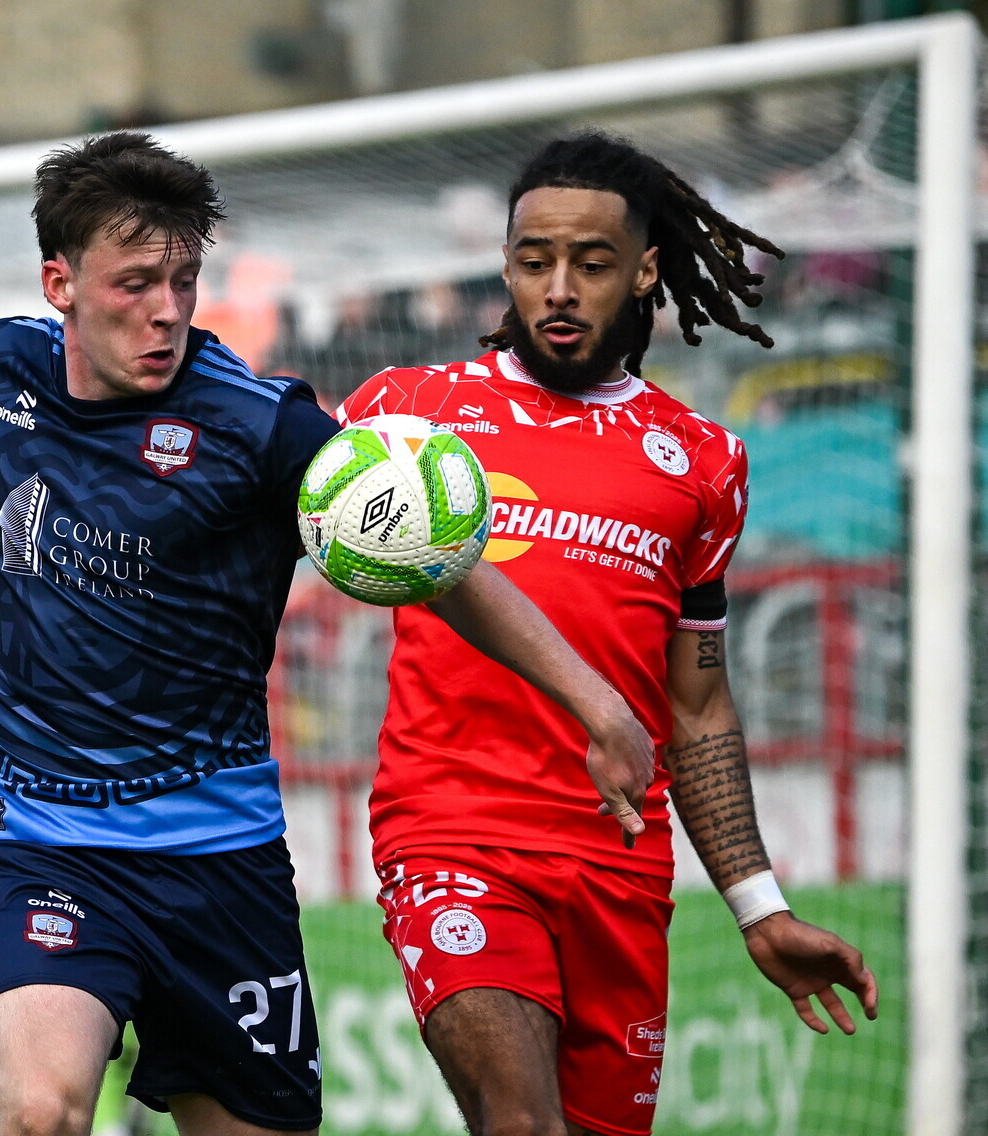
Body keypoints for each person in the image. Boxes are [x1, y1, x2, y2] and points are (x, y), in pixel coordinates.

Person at [0, 131, 656, 1136]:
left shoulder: (263, 424)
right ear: (60, 283)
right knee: (39, 1111)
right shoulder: (1, 366)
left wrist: (596, 703)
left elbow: (440, 564)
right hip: (38, 833)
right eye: (134, 284)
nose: (165, 311)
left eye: (183, 281)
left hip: (218, 850)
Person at [336, 131, 881, 1136]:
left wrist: (759, 905)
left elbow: (697, 702)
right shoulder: (406, 417)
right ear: (505, 266)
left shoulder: (703, 461)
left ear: (643, 271)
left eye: (590, 263)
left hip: (617, 866)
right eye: (533, 260)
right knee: (521, 1121)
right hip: (452, 835)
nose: (558, 289)